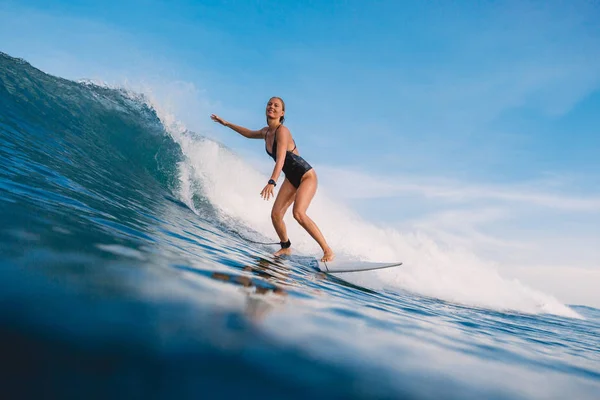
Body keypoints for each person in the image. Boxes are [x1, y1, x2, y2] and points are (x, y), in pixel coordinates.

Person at [210, 97, 335, 262]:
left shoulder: (282, 131)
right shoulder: (266, 132)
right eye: (270, 104)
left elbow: (281, 159)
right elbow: (248, 133)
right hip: (291, 178)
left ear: (282, 113)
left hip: (306, 176)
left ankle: (327, 251)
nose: (272, 107)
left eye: (276, 105)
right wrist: (226, 124)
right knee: (276, 215)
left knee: (298, 213)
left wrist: (272, 181)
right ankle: (286, 247)